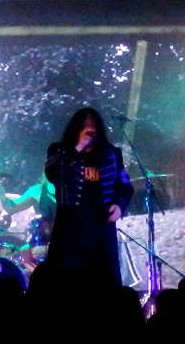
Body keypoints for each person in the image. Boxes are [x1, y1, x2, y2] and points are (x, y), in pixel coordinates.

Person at [44, 108, 134, 284]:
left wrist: (119, 205)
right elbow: (53, 174)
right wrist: (78, 148)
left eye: (93, 127)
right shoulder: (59, 151)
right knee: (68, 280)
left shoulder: (111, 153)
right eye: (85, 127)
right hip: (70, 228)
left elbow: (125, 185)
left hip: (102, 228)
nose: (90, 132)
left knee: (106, 281)